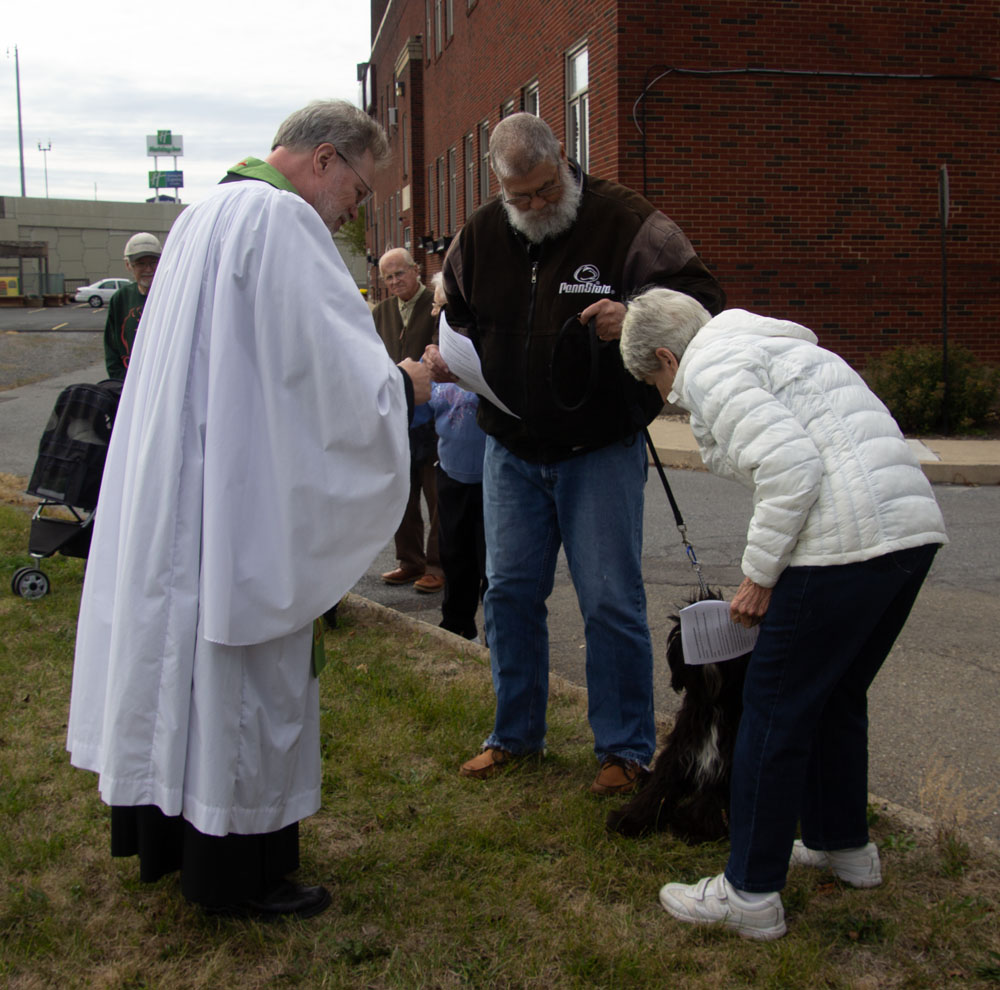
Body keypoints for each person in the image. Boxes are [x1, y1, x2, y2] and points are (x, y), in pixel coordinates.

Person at [67, 99, 431, 920]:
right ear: (326, 159)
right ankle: (241, 874)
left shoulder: (199, 216)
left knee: (177, 674)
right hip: (238, 509)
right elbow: (331, 377)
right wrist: (404, 384)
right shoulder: (282, 223)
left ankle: (169, 841)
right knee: (240, 685)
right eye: (358, 190)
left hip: (180, 493)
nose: (353, 209)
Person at [619, 288, 948, 940]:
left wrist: (758, 576)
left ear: (666, 355)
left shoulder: (709, 367)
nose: (665, 396)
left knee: (772, 710)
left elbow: (792, 468)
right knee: (835, 697)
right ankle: (842, 847)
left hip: (845, 545)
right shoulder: (774, 348)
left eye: (656, 381)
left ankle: (750, 892)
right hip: (908, 534)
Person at [423, 113, 726, 794]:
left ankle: (623, 751)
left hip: (599, 448)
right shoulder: (479, 234)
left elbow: (703, 299)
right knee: (508, 595)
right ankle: (514, 733)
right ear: (497, 184)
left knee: (610, 600)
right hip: (511, 448)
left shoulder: (628, 222)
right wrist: (450, 355)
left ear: (563, 159)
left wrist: (636, 313)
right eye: (518, 196)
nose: (533, 206)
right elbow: (456, 308)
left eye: (543, 189)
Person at [373, 247, 443, 593]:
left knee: (437, 495)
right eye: (388, 276)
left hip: (432, 416)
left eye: (400, 273)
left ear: (415, 270)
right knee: (403, 493)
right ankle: (410, 561)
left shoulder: (435, 304)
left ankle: (437, 564)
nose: (395, 281)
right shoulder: (381, 312)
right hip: (398, 417)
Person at [426, 274, 488, 641]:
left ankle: (495, 635)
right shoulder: (434, 355)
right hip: (450, 474)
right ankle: (455, 626)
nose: (436, 310)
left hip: (491, 477)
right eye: (436, 304)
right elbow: (421, 409)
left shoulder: (485, 348)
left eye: (441, 304)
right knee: (453, 555)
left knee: (490, 565)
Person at [103, 232, 162, 380]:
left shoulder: (171, 296)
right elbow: (111, 349)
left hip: (161, 383)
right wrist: (121, 383)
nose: (148, 269)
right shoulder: (121, 299)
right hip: (128, 383)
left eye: (153, 262)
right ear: (128, 265)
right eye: (141, 263)